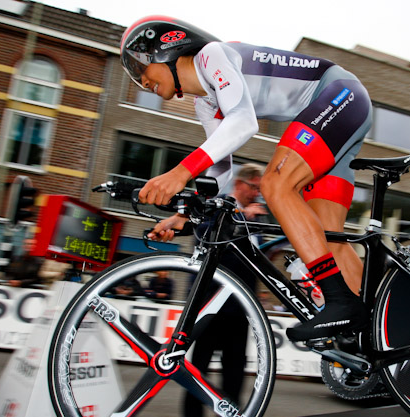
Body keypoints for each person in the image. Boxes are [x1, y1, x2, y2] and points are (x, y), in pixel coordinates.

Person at [122, 16, 372, 342]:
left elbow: (242, 122)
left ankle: (339, 302)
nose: (140, 79)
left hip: (340, 95)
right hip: (337, 114)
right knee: (329, 241)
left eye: (140, 66)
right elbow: (220, 168)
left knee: (276, 184)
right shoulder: (205, 103)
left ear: (168, 47)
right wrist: (182, 215)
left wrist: (180, 172)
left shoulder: (212, 55)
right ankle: (378, 330)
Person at [183, 163, 266, 417]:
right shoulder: (218, 206)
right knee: (199, 369)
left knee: (234, 371)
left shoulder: (258, 218)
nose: (256, 194)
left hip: (240, 309)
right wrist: (241, 216)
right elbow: (208, 237)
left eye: (259, 189)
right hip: (210, 306)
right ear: (239, 184)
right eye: (254, 187)